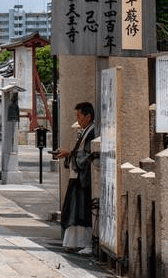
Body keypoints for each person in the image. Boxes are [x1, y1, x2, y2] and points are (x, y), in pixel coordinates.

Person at [55, 101, 98, 255]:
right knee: (74, 210)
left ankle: (86, 243)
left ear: (88, 116)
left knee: (82, 211)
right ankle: (74, 242)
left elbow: (86, 156)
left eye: (79, 116)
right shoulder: (86, 131)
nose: (78, 119)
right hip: (78, 176)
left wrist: (69, 154)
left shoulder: (92, 132)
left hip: (83, 178)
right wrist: (69, 153)